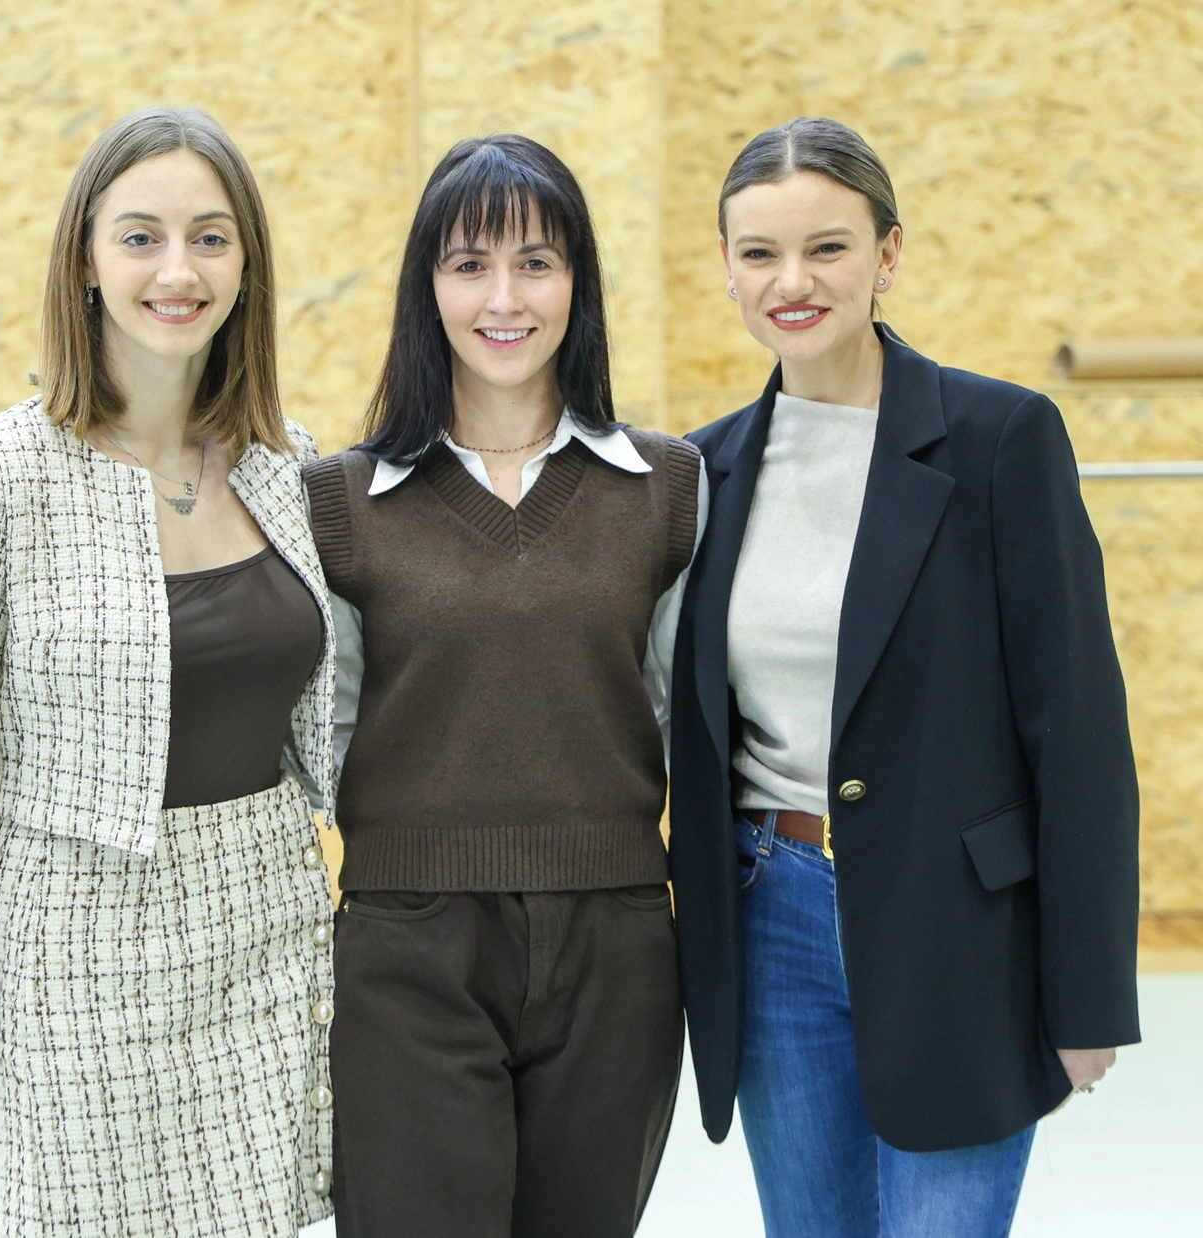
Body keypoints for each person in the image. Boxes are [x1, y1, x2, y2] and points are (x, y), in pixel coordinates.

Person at [0, 106, 337, 1236]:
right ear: (84, 260)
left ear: (246, 265)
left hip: (269, 940)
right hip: (69, 967)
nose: (178, 271)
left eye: (211, 238)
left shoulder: (288, 465)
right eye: (140, 238)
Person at [667, 116, 1141, 1236]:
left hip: (957, 928)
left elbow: (1077, 729)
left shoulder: (999, 438)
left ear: (887, 255)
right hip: (770, 918)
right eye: (760, 252)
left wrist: (1088, 995)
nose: (792, 281)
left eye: (827, 247)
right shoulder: (702, 469)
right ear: (727, 268)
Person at [303, 134, 705, 1238]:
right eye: (469, 265)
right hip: (407, 948)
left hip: (617, 946)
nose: (504, 299)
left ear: (579, 282)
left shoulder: (668, 487)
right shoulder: (339, 502)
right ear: (425, 287)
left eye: (537, 263)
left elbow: (678, 716)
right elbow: (329, 733)